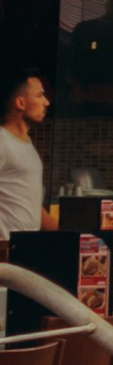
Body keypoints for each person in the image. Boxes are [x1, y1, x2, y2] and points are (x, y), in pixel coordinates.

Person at [0, 66, 48, 240]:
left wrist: (82, 235)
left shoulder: (27, 146)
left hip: (24, 250)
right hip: (5, 253)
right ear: (20, 103)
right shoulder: (2, 141)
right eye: (40, 95)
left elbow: (32, 208)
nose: (46, 102)